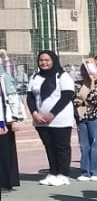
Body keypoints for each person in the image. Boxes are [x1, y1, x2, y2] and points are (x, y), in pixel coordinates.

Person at [25, 50, 76, 187]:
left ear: (53, 60)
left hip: (59, 119)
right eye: (41, 60)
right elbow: (30, 97)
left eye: (47, 60)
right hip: (40, 120)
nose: (44, 63)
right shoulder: (35, 77)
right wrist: (35, 113)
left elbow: (67, 96)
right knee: (49, 146)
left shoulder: (63, 76)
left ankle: (63, 174)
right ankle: (53, 172)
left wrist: (52, 114)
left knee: (61, 146)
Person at [74, 57, 97, 181]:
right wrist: (84, 100)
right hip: (81, 117)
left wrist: (93, 82)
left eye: (87, 69)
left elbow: (96, 99)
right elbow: (76, 100)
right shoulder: (77, 84)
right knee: (84, 145)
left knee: (96, 144)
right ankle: (85, 171)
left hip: (95, 117)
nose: (85, 72)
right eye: (83, 69)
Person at [0, 68, 25, 194]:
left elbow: (13, 99)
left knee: (5, 152)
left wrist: (14, 119)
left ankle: (6, 182)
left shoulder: (4, 78)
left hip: (4, 122)